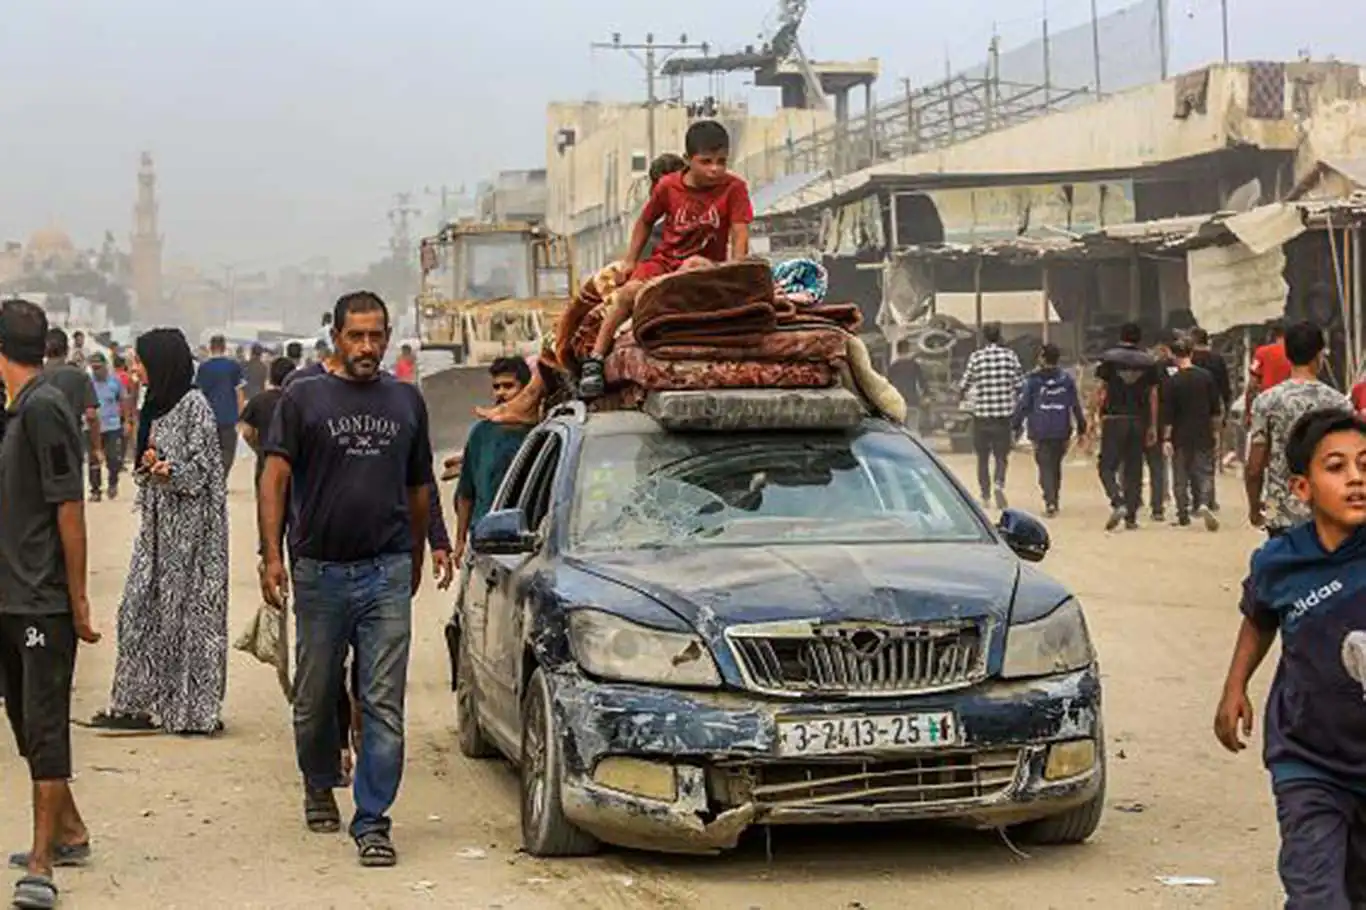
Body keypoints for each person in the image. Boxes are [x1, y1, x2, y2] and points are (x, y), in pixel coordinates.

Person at [259, 291, 435, 868]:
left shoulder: (407, 400)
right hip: (319, 573)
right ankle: (318, 778)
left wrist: (416, 550)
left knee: (382, 700)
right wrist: (271, 555)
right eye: (356, 335)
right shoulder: (302, 397)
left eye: (376, 335)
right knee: (314, 697)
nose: (367, 346)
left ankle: (373, 820)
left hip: (385, 571)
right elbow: (274, 477)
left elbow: (418, 487)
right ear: (335, 335)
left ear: (387, 336)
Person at [1214, 408, 1366, 908]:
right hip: (1308, 761)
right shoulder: (1280, 562)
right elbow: (1259, 618)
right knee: (1317, 896)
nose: (1356, 479)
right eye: (1337, 467)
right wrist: (1235, 687)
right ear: (1302, 488)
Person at [0, 299, 99, 910]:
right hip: (9, 596)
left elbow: (70, 506)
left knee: (44, 721)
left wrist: (79, 597)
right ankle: (69, 829)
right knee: (22, 721)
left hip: (42, 600)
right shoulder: (14, 414)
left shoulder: (45, 409)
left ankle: (42, 862)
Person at [90, 328, 229, 735]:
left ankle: (190, 711)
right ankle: (134, 703)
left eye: (140, 361)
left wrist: (172, 471)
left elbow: (205, 472)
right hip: (157, 533)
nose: (134, 369)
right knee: (138, 611)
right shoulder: (158, 403)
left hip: (193, 540)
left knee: (190, 621)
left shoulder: (195, 406)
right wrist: (152, 464)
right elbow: (150, 464)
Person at [579, 120, 754, 399]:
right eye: (706, 161)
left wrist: (734, 272)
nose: (715, 169)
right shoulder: (668, 187)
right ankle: (596, 359)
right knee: (628, 294)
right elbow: (645, 222)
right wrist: (629, 261)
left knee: (693, 264)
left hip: (706, 267)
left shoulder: (735, 189)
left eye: (721, 161)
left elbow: (740, 234)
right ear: (687, 161)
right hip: (664, 262)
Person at [1247, 321, 1351, 539]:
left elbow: (1255, 467)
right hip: (1327, 513)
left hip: (1281, 514)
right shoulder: (1339, 404)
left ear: (1288, 354)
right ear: (1319, 356)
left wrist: (1255, 506)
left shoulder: (1266, 401)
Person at [1094, 322, 1160, 531]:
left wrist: (1095, 417)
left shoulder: (1109, 358)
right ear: (1139, 338)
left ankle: (1117, 501)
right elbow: (1153, 395)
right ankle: (1131, 517)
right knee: (1134, 468)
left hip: (1114, 418)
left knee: (1106, 466)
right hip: (1138, 420)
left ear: (1121, 336)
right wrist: (1153, 426)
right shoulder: (1149, 362)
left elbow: (1102, 390)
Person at [1013, 343, 1085, 517]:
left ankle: (1050, 500)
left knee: (1044, 466)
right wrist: (1082, 425)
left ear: (1042, 358)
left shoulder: (1033, 380)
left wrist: (1015, 425)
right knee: (1055, 465)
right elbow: (1074, 404)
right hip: (1062, 428)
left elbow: (1024, 405)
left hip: (1040, 429)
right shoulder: (1066, 379)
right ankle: (1054, 498)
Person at [957, 322, 1023, 509]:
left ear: (984, 337)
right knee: (1002, 456)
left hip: (982, 416)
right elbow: (1020, 384)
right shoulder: (1010, 357)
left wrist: (961, 398)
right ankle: (999, 483)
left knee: (982, 457)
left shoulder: (976, 357)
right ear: (1000, 336)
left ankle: (985, 495)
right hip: (1003, 417)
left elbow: (964, 384)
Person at [1160, 339, 1222, 530]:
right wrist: (1216, 432)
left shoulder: (1172, 381)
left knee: (1180, 476)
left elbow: (1168, 414)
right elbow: (1215, 409)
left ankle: (1182, 514)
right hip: (1203, 431)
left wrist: (1167, 438)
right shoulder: (1206, 377)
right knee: (1204, 471)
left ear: (1174, 356)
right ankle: (1203, 502)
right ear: (1191, 354)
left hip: (1180, 434)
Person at [43, 330, 101, 475]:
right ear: (67, 350)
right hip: (71, 442)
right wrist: (96, 448)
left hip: (40, 444)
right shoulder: (80, 376)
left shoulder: (34, 376)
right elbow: (91, 415)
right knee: (70, 491)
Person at [1189, 327, 1232, 509]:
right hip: (1212, 412)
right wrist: (1225, 412)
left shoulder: (1189, 361)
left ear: (1193, 340)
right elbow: (1226, 389)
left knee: (1190, 457)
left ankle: (1196, 498)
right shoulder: (1217, 360)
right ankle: (1209, 498)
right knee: (1209, 456)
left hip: (1189, 412)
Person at [239, 356, 295, 493]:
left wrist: (258, 448)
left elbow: (247, 432)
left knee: (267, 507)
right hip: (294, 466)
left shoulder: (259, 400)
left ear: (270, 376)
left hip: (265, 463)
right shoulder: (299, 401)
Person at [195, 335, 245, 477]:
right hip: (229, 417)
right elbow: (239, 392)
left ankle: (212, 478)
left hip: (208, 417)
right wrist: (241, 415)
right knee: (228, 450)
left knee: (210, 449)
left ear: (211, 348)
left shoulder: (204, 368)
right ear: (224, 347)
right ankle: (222, 476)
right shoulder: (233, 366)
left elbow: (199, 394)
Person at [85, 353, 126, 502]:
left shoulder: (115, 381)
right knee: (94, 460)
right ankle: (95, 490)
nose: (96, 371)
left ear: (105, 366)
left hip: (112, 426)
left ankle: (113, 482)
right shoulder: (88, 382)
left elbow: (123, 400)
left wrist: (127, 420)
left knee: (113, 458)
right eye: (93, 368)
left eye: (98, 368)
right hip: (91, 427)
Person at [1246, 321, 1291, 421]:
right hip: (1289, 405)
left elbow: (1252, 385)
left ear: (1273, 335)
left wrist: (1248, 412)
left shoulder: (1261, 353)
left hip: (1267, 405)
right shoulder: (1296, 352)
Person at [887, 355, 928, 435]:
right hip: (912, 400)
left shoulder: (893, 366)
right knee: (913, 427)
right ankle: (913, 444)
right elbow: (922, 381)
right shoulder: (914, 365)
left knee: (898, 427)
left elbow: (888, 383)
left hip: (897, 401)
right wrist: (926, 394)